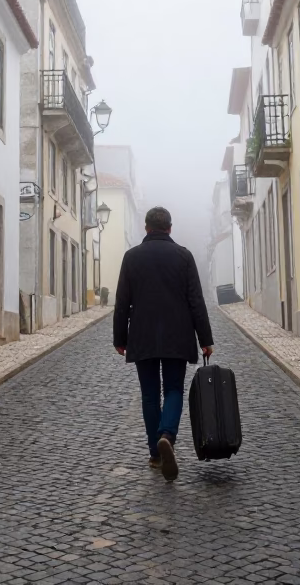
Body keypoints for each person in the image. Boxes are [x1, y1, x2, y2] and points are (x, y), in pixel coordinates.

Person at [113, 206, 214, 482]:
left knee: (149, 395)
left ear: (146, 228)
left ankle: (155, 454)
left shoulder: (131, 257)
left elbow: (122, 302)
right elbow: (196, 300)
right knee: (173, 389)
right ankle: (167, 435)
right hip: (177, 334)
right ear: (170, 228)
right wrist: (205, 339)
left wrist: (119, 339)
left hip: (143, 335)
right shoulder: (184, 256)